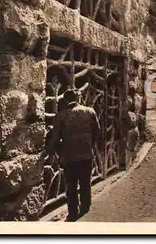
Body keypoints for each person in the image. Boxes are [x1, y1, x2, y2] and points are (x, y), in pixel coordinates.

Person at [45, 89, 101, 222]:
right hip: (86, 155)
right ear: (79, 98)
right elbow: (97, 132)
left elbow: (55, 138)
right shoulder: (90, 111)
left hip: (69, 156)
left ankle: (72, 213)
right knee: (85, 183)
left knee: (71, 186)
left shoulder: (61, 115)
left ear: (64, 100)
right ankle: (85, 208)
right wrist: (90, 145)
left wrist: (49, 152)